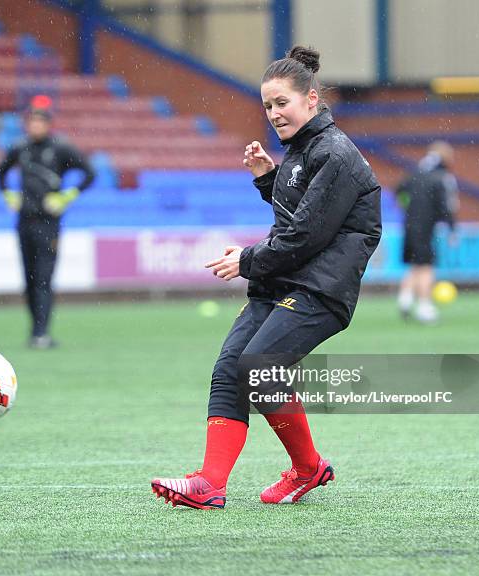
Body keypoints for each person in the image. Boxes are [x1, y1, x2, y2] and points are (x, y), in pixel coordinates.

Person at [151, 46, 382, 509]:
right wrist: (268, 181)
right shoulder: (301, 152)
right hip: (283, 283)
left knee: (257, 366)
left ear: (311, 100)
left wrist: (247, 260)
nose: (274, 114)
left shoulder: (334, 152)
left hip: (320, 290)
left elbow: (306, 234)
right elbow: (300, 216)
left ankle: (306, 469)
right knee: (229, 372)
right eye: (268, 106)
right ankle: (211, 483)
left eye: (282, 103)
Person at [0, 96, 96, 349]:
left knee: (43, 278)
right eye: (31, 121)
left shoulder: (60, 148)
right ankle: (35, 330)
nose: (35, 126)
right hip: (24, 222)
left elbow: (89, 173)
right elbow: (0, 172)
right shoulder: (21, 147)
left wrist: (66, 196)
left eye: (39, 121)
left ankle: (42, 332)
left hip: (48, 224)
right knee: (29, 280)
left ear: (48, 124)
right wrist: (9, 195)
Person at [396, 141, 458, 323]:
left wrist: (409, 209)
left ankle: (405, 298)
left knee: (415, 265)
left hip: (409, 225)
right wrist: (452, 228)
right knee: (426, 266)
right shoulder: (443, 177)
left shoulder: (416, 172)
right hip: (425, 228)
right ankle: (425, 307)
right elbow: (448, 206)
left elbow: (399, 189)